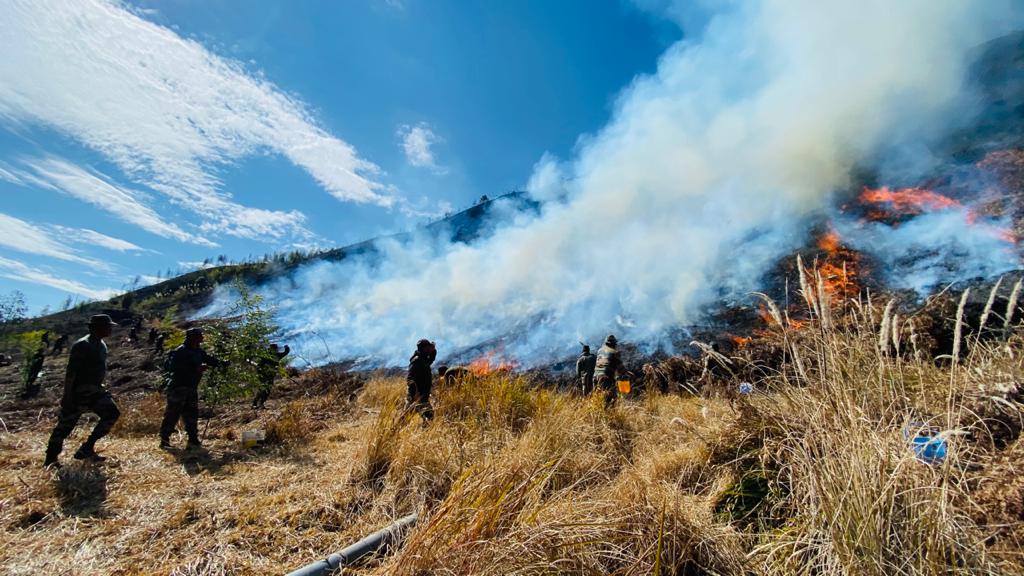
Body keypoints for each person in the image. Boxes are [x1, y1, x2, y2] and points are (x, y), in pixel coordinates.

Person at [43, 315, 121, 467]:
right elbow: (71, 372)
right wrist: (67, 396)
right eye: (107, 326)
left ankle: (87, 448)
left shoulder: (101, 344)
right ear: (96, 328)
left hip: (96, 391)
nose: (110, 329)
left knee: (112, 413)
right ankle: (51, 459)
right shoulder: (83, 345)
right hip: (79, 392)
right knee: (65, 425)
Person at [159, 327, 227, 450]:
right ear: (192, 337)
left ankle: (193, 439)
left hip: (191, 388)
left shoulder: (198, 351)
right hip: (178, 388)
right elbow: (174, 369)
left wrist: (222, 363)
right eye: (199, 335)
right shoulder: (181, 351)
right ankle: (164, 440)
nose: (202, 337)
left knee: (192, 414)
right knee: (172, 414)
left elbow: (210, 360)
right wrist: (195, 369)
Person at [406, 339, 437, 421]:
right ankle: (392, 432)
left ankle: (393, 431)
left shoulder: (423, 359)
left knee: (406, 417)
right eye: (428, 348)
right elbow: (410, 379)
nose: (429, 350)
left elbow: (430, 360)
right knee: (429, 417)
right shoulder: (417, 360)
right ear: (424, 348)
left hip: (422, 396)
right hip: (417, 396)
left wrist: (433, 351)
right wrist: (415, 394)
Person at [252, 343, 290, 409]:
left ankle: (260, 404)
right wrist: (286, 347)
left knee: (266, 390)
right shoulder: (267, 356)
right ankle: (255, 403)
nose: (275, 350)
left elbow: (285, 352)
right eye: (275, 349)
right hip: (264, 375)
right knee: (263, 389)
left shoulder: (274, 355)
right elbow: (259, 366)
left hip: (269, 376)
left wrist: (286, 348)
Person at [594, 334, 626, 408]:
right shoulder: (615, 352)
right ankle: (609, 416)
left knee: (598, 398)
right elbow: (621, 369)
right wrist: (624, 375)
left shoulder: (599, 351)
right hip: (606, 378)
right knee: (611, 399)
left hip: (595, 377)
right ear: (614, 344)